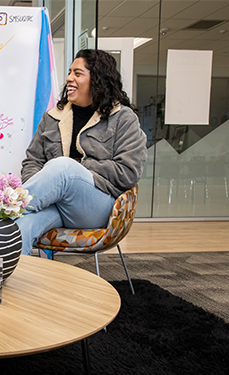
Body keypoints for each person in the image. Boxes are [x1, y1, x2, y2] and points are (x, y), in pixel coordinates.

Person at [16, 49, 147, 255]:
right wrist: (48, 185)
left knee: (63, 166)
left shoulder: (123, 118)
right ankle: (7, 279)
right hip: (57, 204)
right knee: (20, 228)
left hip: (98, 206)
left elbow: (128, 172)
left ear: (97, 80)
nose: (69, 78)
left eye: (77, 73)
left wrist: (76, 168)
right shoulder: (52, 117)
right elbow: (32, 162)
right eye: (69, 72)